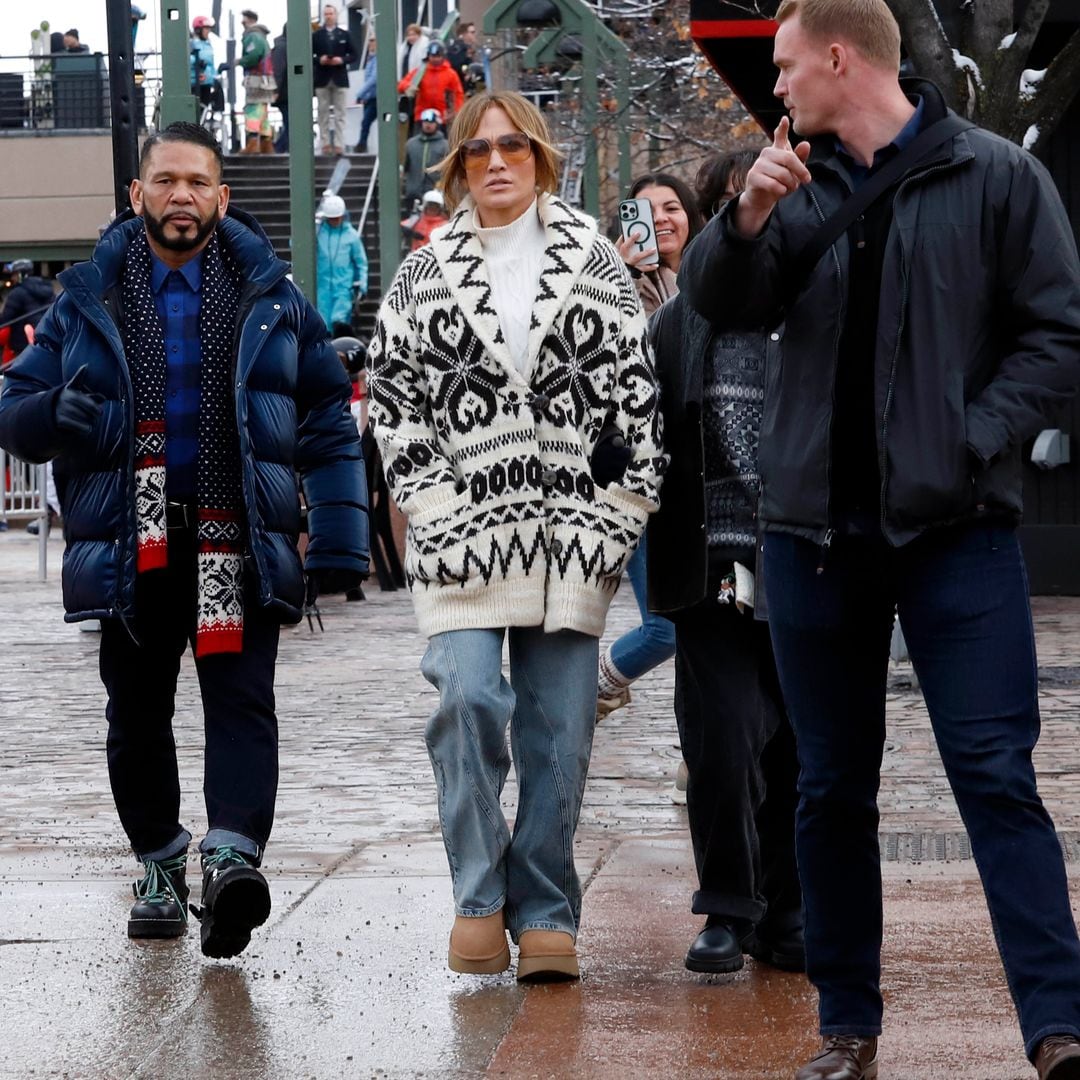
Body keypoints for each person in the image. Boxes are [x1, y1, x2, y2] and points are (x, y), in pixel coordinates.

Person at [678, 1, 1080, 1077]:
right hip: (811, 536)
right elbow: (719, 304)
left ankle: (1058, 1029)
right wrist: (745, 219)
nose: (777, 87)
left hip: (958, 537)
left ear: (840, 58)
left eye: (785, 65)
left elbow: (1057, 334)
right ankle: (847, 1029)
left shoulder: (995, 176)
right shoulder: (794, 185)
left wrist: (975, 435)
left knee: (996, 776)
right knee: (828, 786)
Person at [0, 122, 369, 961]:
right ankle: (160, 861)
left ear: (221, 197)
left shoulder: (270, 295)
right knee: (137, 717)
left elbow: (324, 413)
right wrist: (48, 416)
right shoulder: (85, 297)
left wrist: (342, 535)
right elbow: (12, 406)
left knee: (241, 704)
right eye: (165, 181)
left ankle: (232, 858)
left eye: (197, 182)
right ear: (137, 195)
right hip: (133, 545)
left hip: (230, 539)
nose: (181, 196)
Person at [367, 90, 665, 983]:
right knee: (465, 700)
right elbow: (394, 401)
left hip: (573, 538)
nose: (497, 162)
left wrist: (613, 519)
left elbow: (638, 408)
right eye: (478, 150)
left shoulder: (596, 266)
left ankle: (546, 909)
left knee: (561, 734)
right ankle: (478, 895)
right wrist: (435, 505)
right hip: (461, 539)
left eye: (515, 147)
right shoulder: (423, 276)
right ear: (457, 166)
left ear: (539, 157)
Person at [644, 149, 803, 979]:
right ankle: (727, 910)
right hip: (710, 567)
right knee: (722, 742)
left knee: (802, 748)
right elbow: (639, 429)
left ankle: (790, 912)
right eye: (747, 207)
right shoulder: (678, 322)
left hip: (808, 561)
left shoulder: (819, 301)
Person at [596, 173, 703, 724]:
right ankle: (600, 683)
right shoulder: (609, 281)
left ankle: (700, 755)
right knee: (668, 626)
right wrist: (611, 273)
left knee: (703, 624)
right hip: (639, 475)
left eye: (672, 207)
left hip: (697, 477)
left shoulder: (704, 280)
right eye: (645, 209)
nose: (660, 218)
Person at [316, 192, 368, 336]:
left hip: (344, 287)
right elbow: (295, 244)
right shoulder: (318, 232)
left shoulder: (352, 235)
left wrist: (362, 285)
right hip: (322, 288)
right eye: (331, 218)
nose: (334, 221)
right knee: (323, 324)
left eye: (337, 217)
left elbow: (361, 262)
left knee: (339, 320)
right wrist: (313, 225)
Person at [312, 3, 357, 155]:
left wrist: (341, 60)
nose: (328, 16)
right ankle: (325, 143)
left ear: (336, 15)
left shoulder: (345, 34)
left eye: (331, 13)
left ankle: (339, 143)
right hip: (322, 78)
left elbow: (353, 55)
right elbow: (310, 56)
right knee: (322, 112)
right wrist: (320, 59)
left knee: (341, 113)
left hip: (339, 77)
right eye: (326, 14)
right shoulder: (316, 36)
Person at [398, 41, 464, 131]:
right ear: (428, 56)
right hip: (421, 116)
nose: (435, 59)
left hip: (442, 117)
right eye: (433, 56)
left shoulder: (451, 74)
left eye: (438, 56)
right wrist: (408, 87)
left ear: (443, 56)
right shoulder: (420, 71)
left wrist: (456, 112)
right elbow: (402, 84)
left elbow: (458, 94)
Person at [235, 10, 275, 154]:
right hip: (265, 79)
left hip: (256, 79)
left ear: (250, 20)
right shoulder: (261, 36)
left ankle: (253, 143)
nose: (242, 22)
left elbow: (253, 56)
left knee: (252, 110)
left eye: (244, 19)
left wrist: (238, 62)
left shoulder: (253, 36)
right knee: (262, 112)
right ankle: (266, 144)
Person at [1, 259, 54, 358]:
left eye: (14, 274)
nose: (12, 278)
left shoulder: (17, 292)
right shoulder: (48, 290)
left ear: (21, 274)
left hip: (22, 343)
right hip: (46, 340)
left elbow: (5, 319)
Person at [402, 108, 449, 207]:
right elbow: (404, 167)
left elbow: (449, 169)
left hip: (435, 194)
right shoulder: (411, 144)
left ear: (437, 124)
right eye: (425, 121)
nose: (428, 125)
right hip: (413, 193)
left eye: (431, 122)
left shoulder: (445, 145)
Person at [189, 16, 217, 109]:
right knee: (197, 110)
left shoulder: (208, 44)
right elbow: (185, 58)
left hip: (207, 83)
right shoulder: (191, 43)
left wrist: (215, 77)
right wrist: (196, 60)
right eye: (206, 28)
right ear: (198, 30)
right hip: (196, 83)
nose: (208, 31)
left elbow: (210, 64)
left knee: (205, 109)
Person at [356, 36, 377, 152]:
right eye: (369, 40)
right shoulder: (371, 59)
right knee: (366, 122)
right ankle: (362, 144)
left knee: (366, 122)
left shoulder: (377, 59)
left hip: (376, 97)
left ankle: (361, 145)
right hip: (370, 97)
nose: (370, 43)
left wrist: (360, 94)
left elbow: (374, 79)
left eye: (373, 41)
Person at [270, 24, 289, 153]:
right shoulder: (283, 47)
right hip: (284, 93)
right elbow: (278, 70)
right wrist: (275, 90)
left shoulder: (281, 46)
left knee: (290, 123)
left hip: (284, 92)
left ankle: (280, 147)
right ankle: (278, 148)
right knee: (291, 124)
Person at [446, 21, 477, 91]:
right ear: (463, 34)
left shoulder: (464, 48)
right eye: (472, 32)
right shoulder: (458, 49)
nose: (474, 35)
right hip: (459, 88)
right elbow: (456, 65)